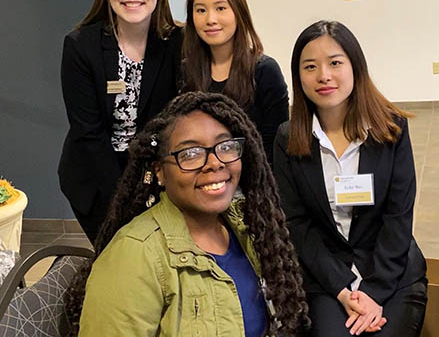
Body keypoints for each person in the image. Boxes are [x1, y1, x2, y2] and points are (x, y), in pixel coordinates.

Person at [67, 91, 309, 336]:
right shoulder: (134, 255)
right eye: (190, 153)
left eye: (225, 146)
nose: (214, 163)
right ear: (159, 172)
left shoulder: (246, 227)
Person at [273, 21, 427, 336]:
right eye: (310, 66)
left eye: (335, 63)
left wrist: (374, 292)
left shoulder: (391, 130)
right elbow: (297, 225)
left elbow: (398, 217)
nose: (323, 76)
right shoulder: (288, 139)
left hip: (390, 273)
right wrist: (344, 291)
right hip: (327, 277)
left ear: (355, 66)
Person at [58, 0, 183, 243]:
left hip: (157, 174)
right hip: (95, 179)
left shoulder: (179, 43)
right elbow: (88, 134)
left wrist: (153, 185)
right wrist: (126, 202)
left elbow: (176, 120)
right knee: (118, 260)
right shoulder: (80, 46)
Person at [182, 0, 289, 164]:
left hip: (254, 183)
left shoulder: (264, 71)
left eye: (221, 8)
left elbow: (275, 149)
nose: (210, 19)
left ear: (238, 12)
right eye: (200, 10)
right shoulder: (185, 72)